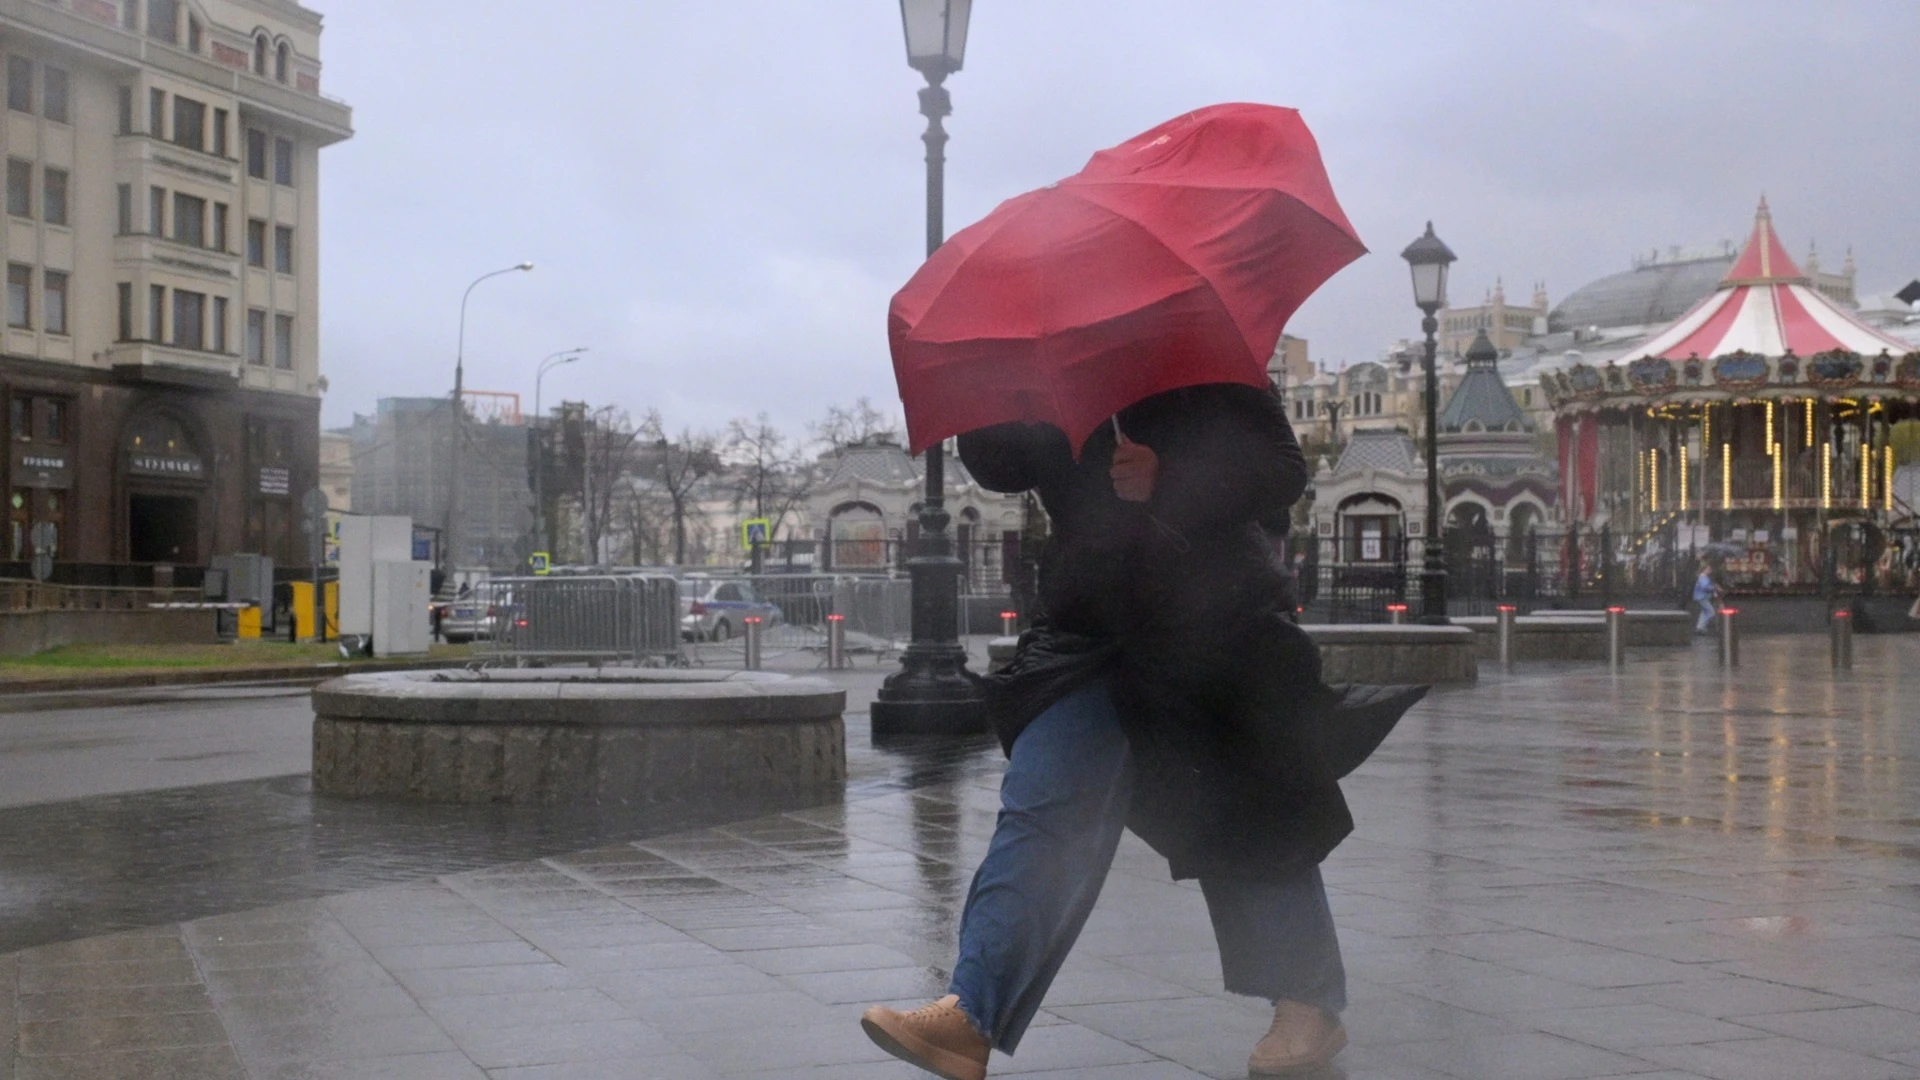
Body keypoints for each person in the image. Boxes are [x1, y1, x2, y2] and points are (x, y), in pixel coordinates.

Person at [860, 383, 1422, 1080]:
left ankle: (1308, 1008)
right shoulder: (1053, 358)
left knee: (1245, 817)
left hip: (1213, 625)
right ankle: (969, 1015)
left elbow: (1282, 468)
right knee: (1042, 806)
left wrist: (1172, 479)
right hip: (1089, 626)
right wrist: (991, 391)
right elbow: (1005, 466)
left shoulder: (1204, 351)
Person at [1692, 565, 1720, 633]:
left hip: (1701, 597)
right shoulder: (1703, 577)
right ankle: (1701, 626)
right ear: (1704, 570)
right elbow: (1705, 587)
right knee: (1711, 612)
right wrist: (1714, 587)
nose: (1710, 570)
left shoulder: (1703, 577)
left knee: (1704, 612)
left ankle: (1699, 627)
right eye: (1708, 569)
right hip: (1702, 597)